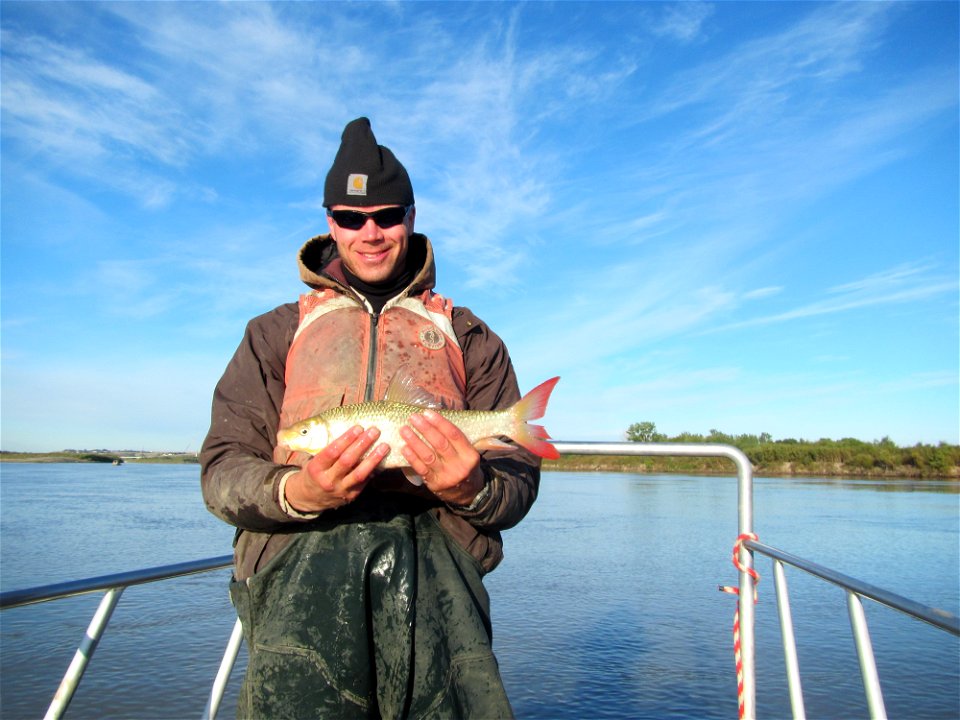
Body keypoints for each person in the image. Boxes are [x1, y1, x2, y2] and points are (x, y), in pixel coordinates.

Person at [200, 117, 540, 719]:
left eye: (387, 215)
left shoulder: (470, 336)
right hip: (295, 570)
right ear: (330, 222)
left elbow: (517, 486)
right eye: (352, 218)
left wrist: (474, 487)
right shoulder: (273, 334)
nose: (370, 233)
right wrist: (298, 490)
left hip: (443, 580)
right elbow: (223, 475)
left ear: (411, 217)